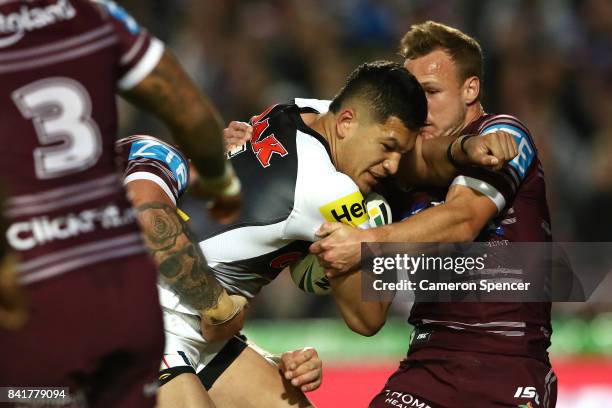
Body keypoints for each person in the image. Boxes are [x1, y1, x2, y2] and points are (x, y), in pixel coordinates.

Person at [155, 60, 517, 407]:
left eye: (399, 151)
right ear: (346, 122)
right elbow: (367, 319)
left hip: (204, 327)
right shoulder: (329, 191)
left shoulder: (294, 110)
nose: (392, 166)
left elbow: (412, 152)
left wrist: (461, 147)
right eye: (387, 148)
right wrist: (379, 227)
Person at [0, 1, 241, 406]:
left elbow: (368, 308)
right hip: (126, 295)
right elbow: (186, 106)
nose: (389, 163)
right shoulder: (90, 13)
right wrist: (223, 183)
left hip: (36, 290)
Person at [310, 21, 556, 408]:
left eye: (431, 92)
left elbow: (460, 222)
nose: (419, 109)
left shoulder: (501, 136)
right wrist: (267, 143)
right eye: (413, 95)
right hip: (426, 366)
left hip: (504, 367)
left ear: (470, 89)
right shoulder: (395, 169)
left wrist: (364, 242)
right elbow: (367, 319)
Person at [116, 133, 322, 408]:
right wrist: (220, 309)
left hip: (198, 332)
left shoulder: (350, 192)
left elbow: (368, 318)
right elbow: (367, 319)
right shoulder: (163, 161)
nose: (389, 164)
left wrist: (269, 358)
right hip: (139, 323)